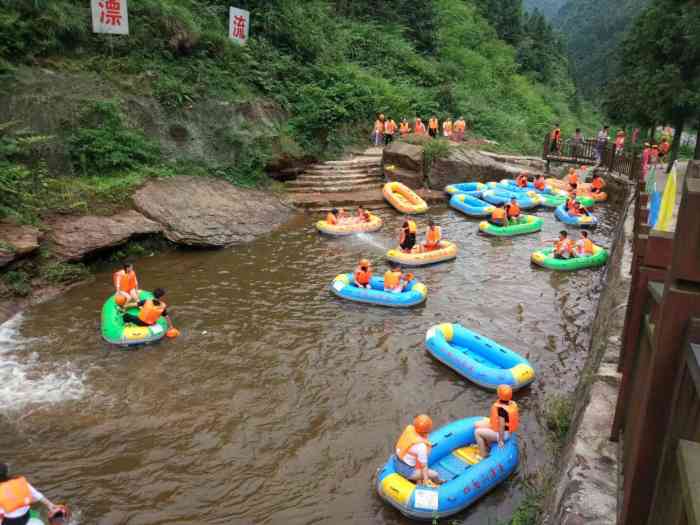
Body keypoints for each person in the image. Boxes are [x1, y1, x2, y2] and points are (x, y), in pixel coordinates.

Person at [393, 415, 444, 485]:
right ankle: (439, 483)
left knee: (417, 461)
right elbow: (424, 467)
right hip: (406, 471)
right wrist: (425, 481)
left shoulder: (409, 429)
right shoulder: (421, 446)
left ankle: (418, 480)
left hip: (396, 461)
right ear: (427, 430)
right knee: (435, 474)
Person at [474, 385, 519, 459]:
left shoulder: (502, 410)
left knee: (477, 432)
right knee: (477, 424)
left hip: (503, 434)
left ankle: (483, 454)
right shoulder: (510, 404)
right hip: (501, 429)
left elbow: (502, 426)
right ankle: (486, 445)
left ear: (499, 395)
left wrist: (501, 440)